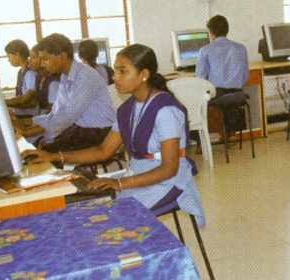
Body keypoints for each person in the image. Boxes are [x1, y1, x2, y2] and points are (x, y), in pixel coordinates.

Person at [22, 44, 205, 226]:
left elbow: (169, 169)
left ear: (144, 74)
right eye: (116, 70)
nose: (115, 77)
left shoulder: (165, 110)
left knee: (104, 218)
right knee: (82, 204)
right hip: (138, 175)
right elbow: (104, 150)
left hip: (167, 183)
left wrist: (120, 183)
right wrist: (54, 156)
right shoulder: (128, 109)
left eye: (122, 71)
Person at [12, 33, 116, 152]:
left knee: (44, 154)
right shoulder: (65, 77)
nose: (43, 64)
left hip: (101, 134)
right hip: (82, 131)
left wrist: (27, 131)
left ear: (61, 56)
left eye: (45, 59)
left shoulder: (86, 75)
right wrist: (22, 123)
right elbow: (55, 113)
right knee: (41, 151)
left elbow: (68, 115)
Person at [196, 15, 249, 137]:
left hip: (217, 95)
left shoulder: (205, 50)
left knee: (198, 99)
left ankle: (202, 140)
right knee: (226, 101)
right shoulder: (241, 48)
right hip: (237, 94)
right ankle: (228, 133)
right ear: (227, 30)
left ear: (211, 32)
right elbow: (245, 77)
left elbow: (200, 80)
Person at [5, 39, 39, 117]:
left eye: (9, 56)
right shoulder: (20, 72)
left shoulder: (30, 73)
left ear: (17, 55)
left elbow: (31, 102)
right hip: (21, 114)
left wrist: (3, 103)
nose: (8, 60)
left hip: (30, 116)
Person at [28, 45, 60, 115]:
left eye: (33, 57)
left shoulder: (54, 82)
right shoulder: (39, 77)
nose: (29, 60)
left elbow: (52, 114)